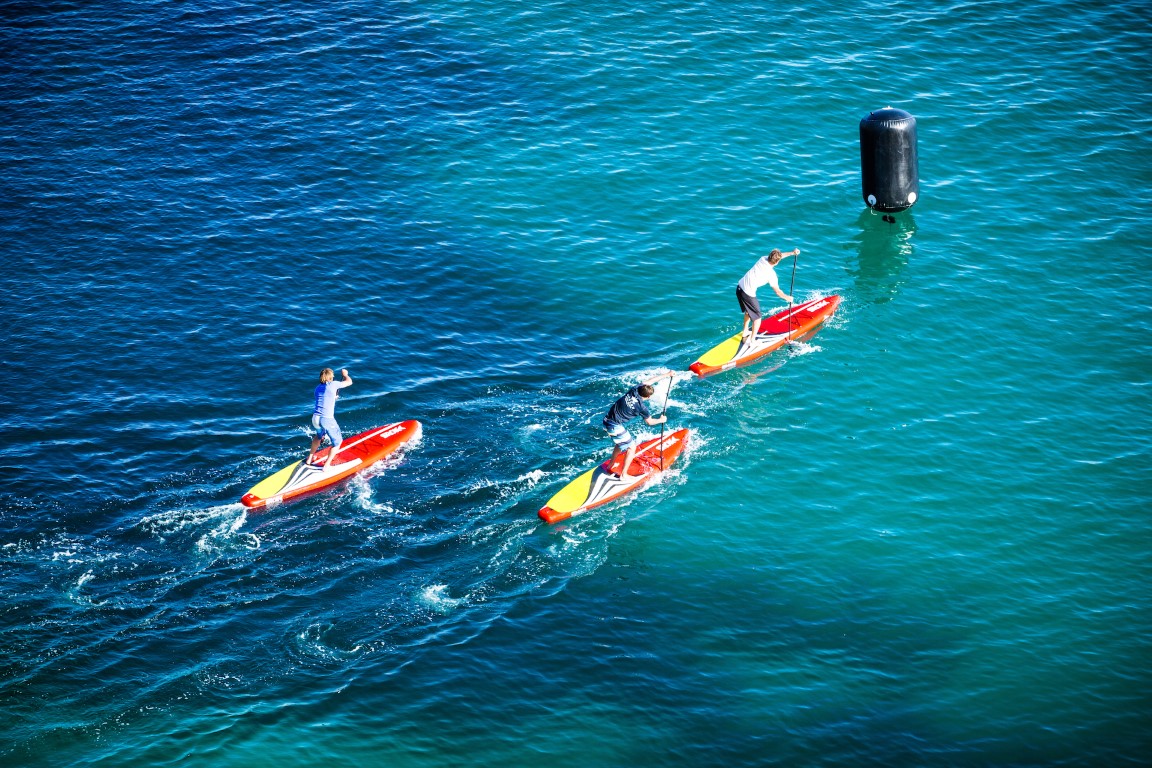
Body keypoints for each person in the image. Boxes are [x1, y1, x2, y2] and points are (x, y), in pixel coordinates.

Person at [603, 371, 671, 478]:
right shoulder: (642, 408)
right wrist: (661, 420)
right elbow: (649, 422)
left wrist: (667, 374)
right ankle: (624, 475)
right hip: (614, 426)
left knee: (620, 443)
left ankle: (610, 465)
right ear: (648, 397)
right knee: (631, 447)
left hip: (607, 420)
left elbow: (650, 381)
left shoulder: (634, 390)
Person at [736, 247, 800, 343]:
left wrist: (792, 253)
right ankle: (752, 341)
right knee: (757, 318)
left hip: (739, 287)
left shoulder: (762, 259)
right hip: (748, 294)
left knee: (748, 312)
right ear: (777, 262)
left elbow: (779, 256)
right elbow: (778, 292)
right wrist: (788, 298)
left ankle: (745, 332)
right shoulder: (771, 275)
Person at [310, 367, 353, 469]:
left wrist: (333, 397)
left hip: (315, 418)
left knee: (319, 436)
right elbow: (349, 382)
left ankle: (309, 458)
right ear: (330, 377)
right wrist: (345, 375)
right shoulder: (333, 384)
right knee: (338, 442)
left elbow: (324, 398)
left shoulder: (317, 388)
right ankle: (327, 465)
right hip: (326, 419)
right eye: (333, 376)